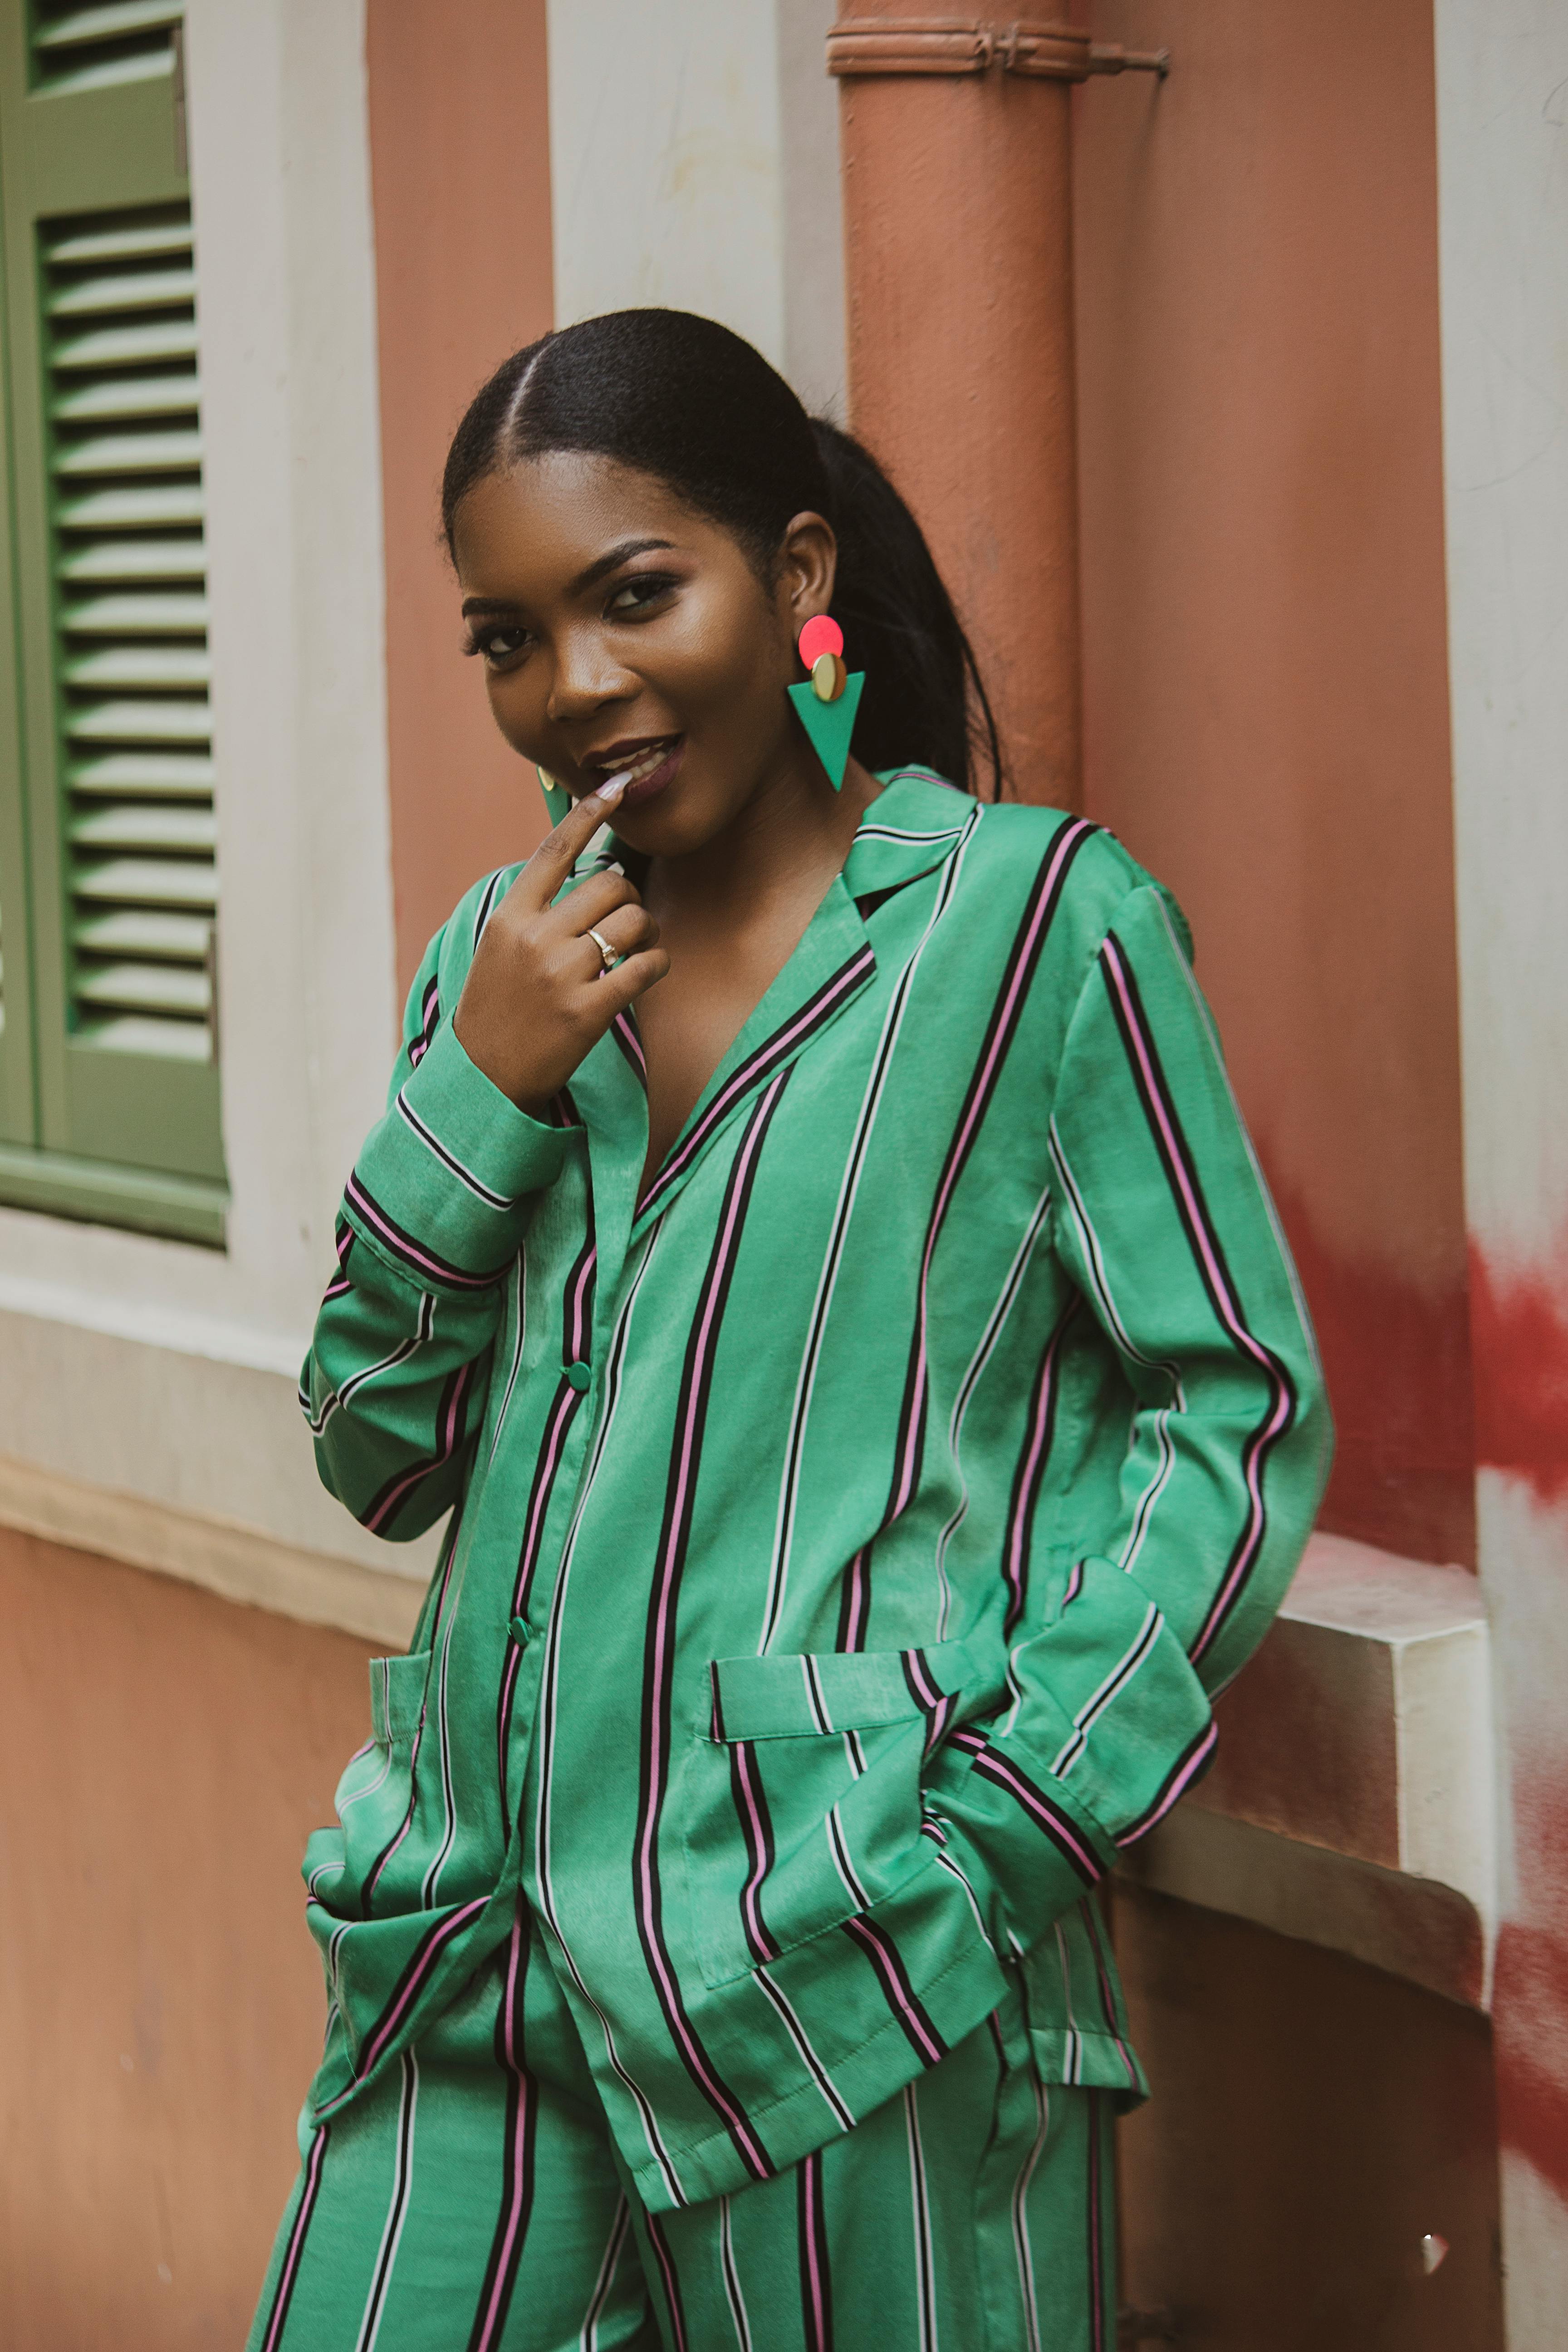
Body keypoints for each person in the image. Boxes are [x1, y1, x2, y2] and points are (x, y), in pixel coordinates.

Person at [249, 309, 1329, 2352]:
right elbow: (377, 1452)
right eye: (507, 635)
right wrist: (476, 1089)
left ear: (799, 578)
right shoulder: (498, 970)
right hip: (470, 1959)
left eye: (636, 594)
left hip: (849, 1966)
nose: (574, 685)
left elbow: (1236, 1419)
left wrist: (1004, 1839)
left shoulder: (1030, 930)